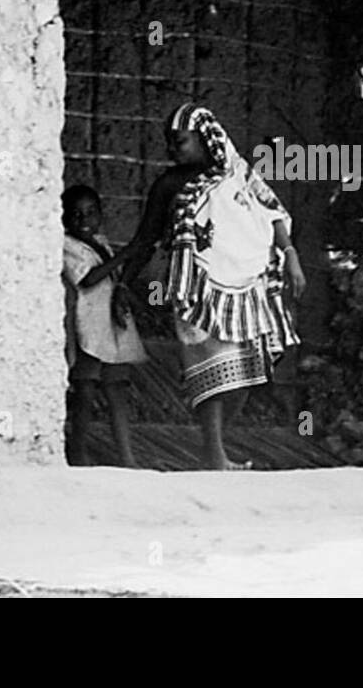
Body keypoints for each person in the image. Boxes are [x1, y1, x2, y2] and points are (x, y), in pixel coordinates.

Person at [116, 103, 306, 470]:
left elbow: (272, 211)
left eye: (180, 141)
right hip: (197, 288)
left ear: (206, 138)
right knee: (210, 369)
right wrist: (122, 282)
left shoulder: (239, 174)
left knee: (247, 372)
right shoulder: (170, 184)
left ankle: (213, 450)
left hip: (247, 288)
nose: (173, 150)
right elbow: (146, 240)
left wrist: (291, 255)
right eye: (170, 143)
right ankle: (214, 454)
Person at [61, 184, 147, 467]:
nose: (83, 221)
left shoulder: (101, 242)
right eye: (75, 215)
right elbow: (87, 278)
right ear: (63, 218)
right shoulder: (67, 246)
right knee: (85, 391)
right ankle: (79, 451)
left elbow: (111, 278)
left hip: (111, 326)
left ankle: (127, 456)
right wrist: (127, 253)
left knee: (117, 390)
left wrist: (121, 289)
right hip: (88, 328)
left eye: (90, 213)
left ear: (100, 214)